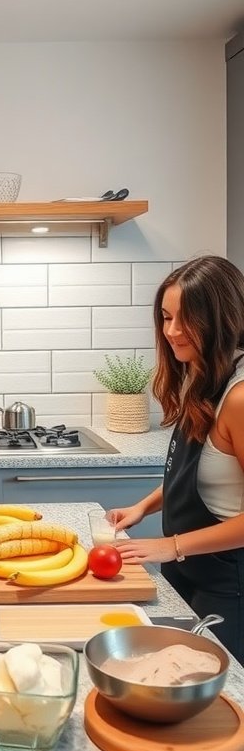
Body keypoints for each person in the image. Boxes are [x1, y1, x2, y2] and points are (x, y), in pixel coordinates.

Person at [111, 255, 244, 664]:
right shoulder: (201, 378)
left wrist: (171, 545)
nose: (171, 331)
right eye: (166, 317)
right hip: (187, 570)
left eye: (186, 319)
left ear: (221, 317)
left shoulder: (239, 398)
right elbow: (193, 475)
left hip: (227, 583)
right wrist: (144, 507)